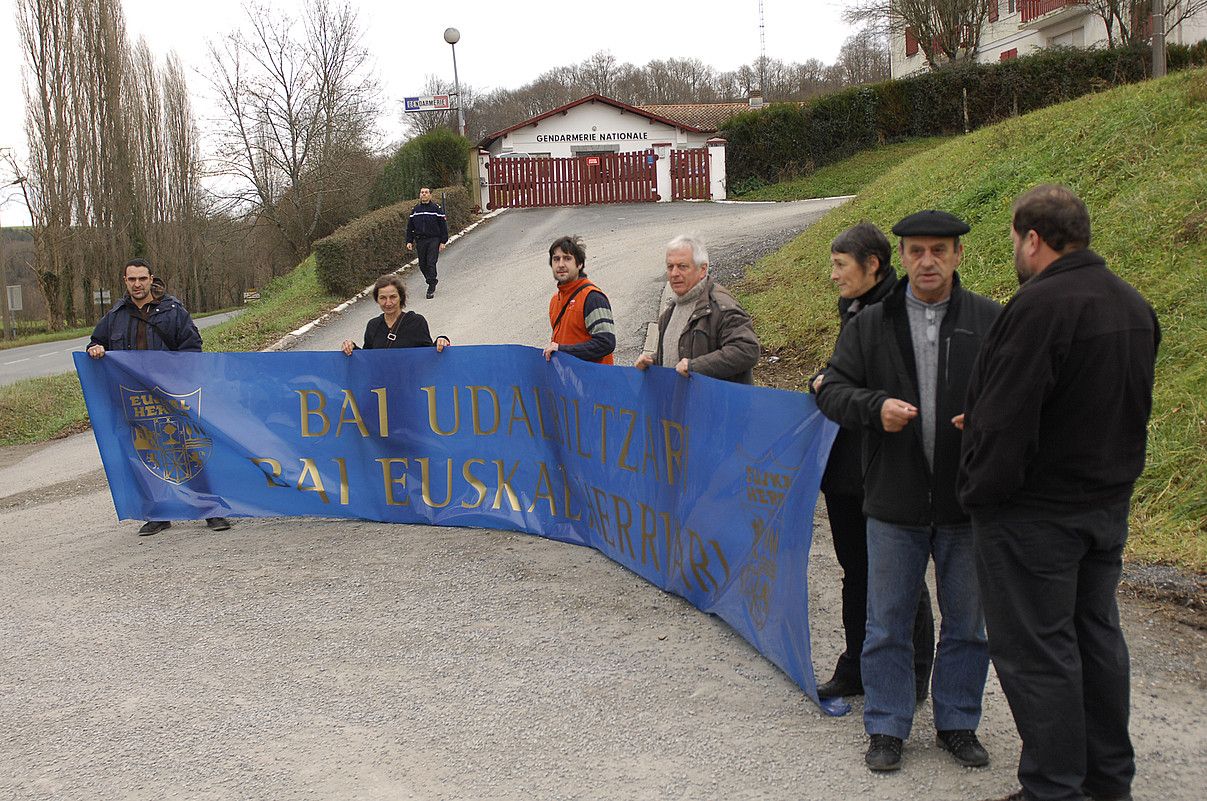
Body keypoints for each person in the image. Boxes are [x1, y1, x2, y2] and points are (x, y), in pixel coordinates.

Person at [959, 186, 1159, 801]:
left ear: (1033, 238)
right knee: (1096, 641)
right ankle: (1106, 781)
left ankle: (1053, 787)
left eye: (1016, 240)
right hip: (1105, 505)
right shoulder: (1132, 304)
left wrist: (979, 492)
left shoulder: (1038, 306)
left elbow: (1008, 417)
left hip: (1033, 516)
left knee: (1038, 655)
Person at [814, 210, 1000, 773]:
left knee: (967, 624)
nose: (927, 261)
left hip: (965, 503)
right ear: (903, 255)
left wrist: (987, 418)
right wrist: (875, 409)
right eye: (917, 251)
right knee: (887, 622)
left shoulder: (989, 321)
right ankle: (889, 727)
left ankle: (958, 721)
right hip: (893, 501)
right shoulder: (871, 325)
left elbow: (1018, 392)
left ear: (957, 256)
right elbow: (832, 390)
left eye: (938, 251)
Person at [809, 223, 935, 704]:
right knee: (855, 570)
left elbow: (900, 389)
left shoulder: (898, 316)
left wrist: (837, 387)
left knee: (900, 576)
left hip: (885, 469)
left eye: (841, 266)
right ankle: (856, 665)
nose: (834, 275)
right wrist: (827, 378)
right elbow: (849, 372)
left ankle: (916, 672)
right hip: (846, 470)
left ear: (873, 265)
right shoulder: (854, 309)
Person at [87, 257, 230, 536]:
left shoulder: (173, 311)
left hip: (171, 396)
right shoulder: (115, 315)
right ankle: (159, 513)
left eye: (142, 279)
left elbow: (192, 348)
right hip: (135, 399)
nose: (137, 284)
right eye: (132, 279)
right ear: (125, 282)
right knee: (147, 456)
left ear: (152, 279)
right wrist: (95, 347)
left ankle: (211, 511)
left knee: (188, 452)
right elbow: (97, 340)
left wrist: (176, 381)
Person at [634, 235, 759, 383]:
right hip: (683, 402)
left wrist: (695, 367)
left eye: (682, 266)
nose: (674, 273)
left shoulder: (721, 306)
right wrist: (653, 361)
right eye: (670, 267)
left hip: (714, 404)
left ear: (702, 270)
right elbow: (681, 353)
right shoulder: (672, 310)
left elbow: (747, 350)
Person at [542, 235, 616, 364]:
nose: (560, 264)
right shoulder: (555, 300)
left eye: (567, 258)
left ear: (580, 264)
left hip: (593, 380)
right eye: (556, 259)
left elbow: (606, 342)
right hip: (570, 379)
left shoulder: (592, 297)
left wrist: (563, 350)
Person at [341, 274, 450, 354]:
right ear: (377, 300)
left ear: (401, 297)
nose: (388, 303)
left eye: (393, 297)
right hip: (383, 384)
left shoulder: (416, 322)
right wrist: (352, 348)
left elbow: (429, 355)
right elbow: (367, 360)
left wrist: (441, 340)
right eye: (383, 298)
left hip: (410, 382)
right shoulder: (373, 325)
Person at [405, 187, 449, 299]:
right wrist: (409, 241)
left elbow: (443, 226)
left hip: (434, 239)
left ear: (430, 195)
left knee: (431, 262)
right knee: (422, 264)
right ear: (419, 195)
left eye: (426, 192)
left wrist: (443, 241)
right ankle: (431, 280)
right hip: (420, 240)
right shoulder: (415, 210)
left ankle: (431, 287)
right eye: (422, 192)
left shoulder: (436, 209)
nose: (424, 194)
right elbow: (410, 227)